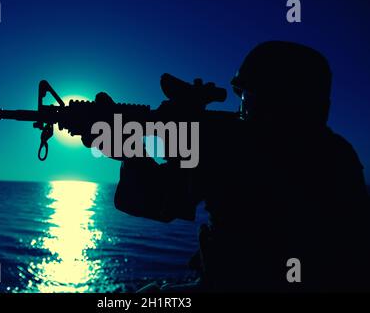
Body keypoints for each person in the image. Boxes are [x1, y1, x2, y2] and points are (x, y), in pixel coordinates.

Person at [83, 41, 370, 292]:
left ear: (275, 98)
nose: (241, 109)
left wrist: (130, 151)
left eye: (246, 97)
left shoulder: (247, 146)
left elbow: (156, 200)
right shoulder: (337, 153)